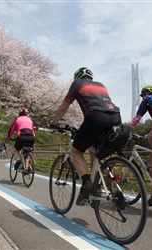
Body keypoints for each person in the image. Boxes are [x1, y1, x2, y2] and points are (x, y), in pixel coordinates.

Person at [50, 67, 121, 206]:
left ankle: (87, 182)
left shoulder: (77, 84)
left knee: (76, 151)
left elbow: (63, 107)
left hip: (95, 117)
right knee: (95, 151)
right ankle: (98, 187)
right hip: (115, 118)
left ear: (77, 77)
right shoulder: (101, 85)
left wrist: (54, 123)